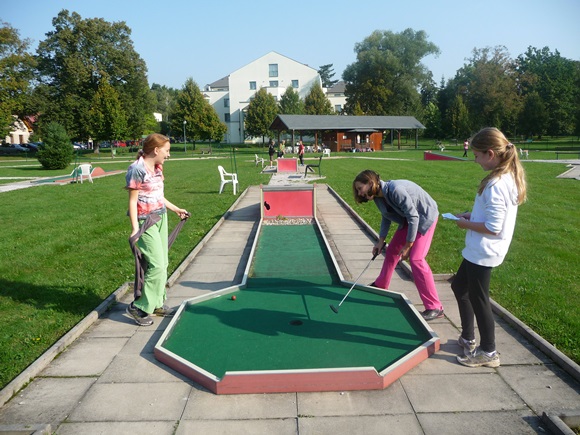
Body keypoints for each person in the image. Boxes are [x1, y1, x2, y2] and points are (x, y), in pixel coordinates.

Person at [451, 127, 527, 368]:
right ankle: (468, 338)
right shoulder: (505, 177)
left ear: (490, 154)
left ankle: (488, 351)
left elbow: (494, 227)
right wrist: (471, 216)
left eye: (477, 155)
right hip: (479, 249)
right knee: (459, 286)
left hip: (484, 251)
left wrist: (465, 224)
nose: (475, 160)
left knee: (479, 299)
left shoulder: (496, 184)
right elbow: (492, 217)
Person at [352, 170, 444, 321]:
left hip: (425, 217)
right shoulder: (378, 197)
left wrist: (408, 245)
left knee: (416, 259)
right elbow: (386, 217)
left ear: (370, 183)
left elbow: (414, 216)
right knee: (392, 251)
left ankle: (435, 306)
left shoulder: (396, 190)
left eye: (360, 188)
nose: (360, 193)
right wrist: (380, 241)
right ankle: (381, 285)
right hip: (409, 219)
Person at [125, 133, 189, 326]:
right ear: (156, 150)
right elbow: (132, 201)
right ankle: (139, 307)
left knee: (164, 262)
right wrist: (135, 228)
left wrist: (176, 209)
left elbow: (158, 196)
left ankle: (156, 303)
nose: (168, 155)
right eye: (167, 151)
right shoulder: (137, 169)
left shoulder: (157, 167)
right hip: (146, 221)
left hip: (161, 217)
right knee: (157, 265)